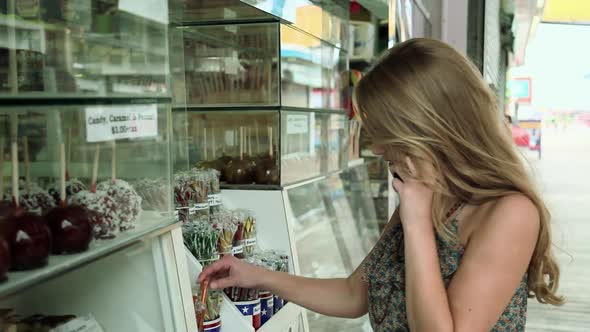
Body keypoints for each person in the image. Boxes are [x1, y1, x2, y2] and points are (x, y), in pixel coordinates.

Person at [199, 38, 563, 331]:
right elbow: (354, 294)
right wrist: (256, 276)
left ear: (428, 126)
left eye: (387, 132)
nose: (377, 148)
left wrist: (417, 218)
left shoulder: (509, 212)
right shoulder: (423, 191)